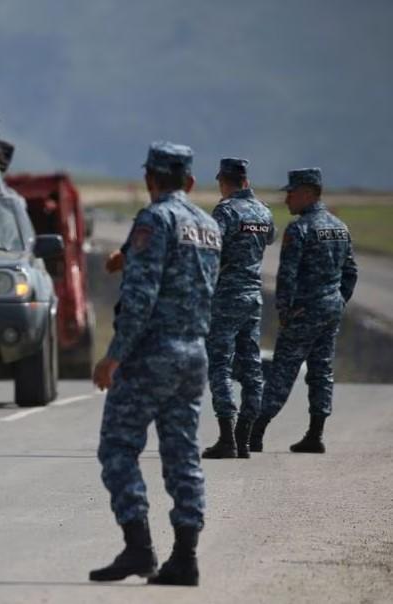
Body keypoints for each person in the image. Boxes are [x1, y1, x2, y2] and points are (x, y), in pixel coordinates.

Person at [90, 142, 220, 587]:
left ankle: (139, 547)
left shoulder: (154, 218)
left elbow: (142, 299)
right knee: (183, 455)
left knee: (118, 447)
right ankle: (185, 557)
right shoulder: (207, 226)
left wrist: (113, 356)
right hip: (193, 353)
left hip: (152, 354)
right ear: (189, 182)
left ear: (150, 179)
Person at [249, 168, 357, 454]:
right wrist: (337, 301)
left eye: (291, 193)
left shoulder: (300, 229)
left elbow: (286, 277)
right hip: (330, 310)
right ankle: (315, 433)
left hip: (304, 311)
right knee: (322, 369)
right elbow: (350, 273)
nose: (287, 199)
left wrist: (285, 312)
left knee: (283, 371)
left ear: (308, 193)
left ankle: (255, 432)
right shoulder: (340, 227)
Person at [202, 159, 276, 459]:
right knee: (251, 367)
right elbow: (268, 238)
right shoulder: (264, 211)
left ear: (224, 181)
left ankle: (226, 438)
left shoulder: (226, 211)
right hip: (253, 297)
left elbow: (210, 248)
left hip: (227, 297)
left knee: (219, 364)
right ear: (246, 180)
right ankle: (244, 438)